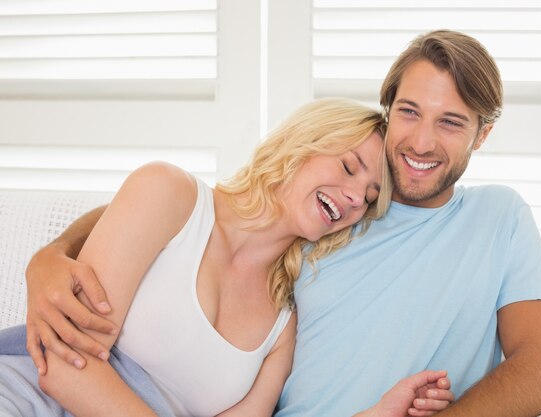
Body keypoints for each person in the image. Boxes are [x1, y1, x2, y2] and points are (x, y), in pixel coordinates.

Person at [23, 30, 541, 417]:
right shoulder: (318, 219)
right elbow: (201, 209)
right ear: (387, 110)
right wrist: (54, 253)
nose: (423, 142)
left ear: (482, 134)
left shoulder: (495, 218)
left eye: (451, 123)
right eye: (409, 112)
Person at [1, 98, 454, 417]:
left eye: (370, 197)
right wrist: (51, 253)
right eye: (348, 166)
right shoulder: (170, 194)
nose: (355, 196)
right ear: (301, 145)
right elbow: (62, 366)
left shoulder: (284, 323)